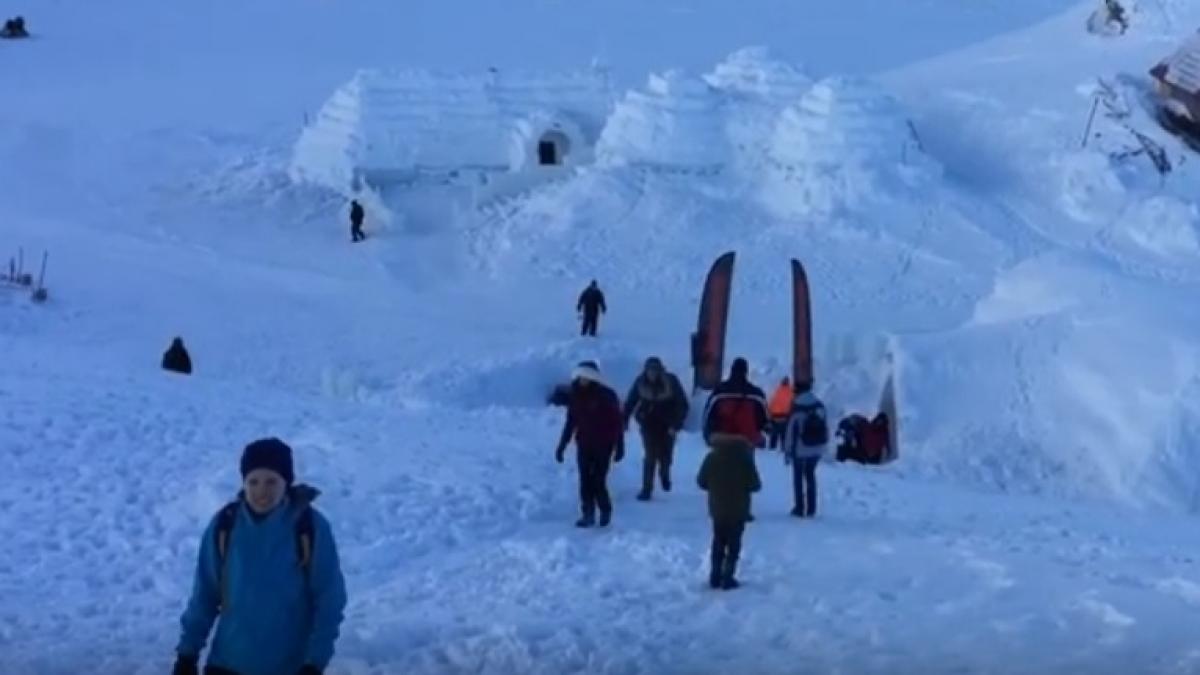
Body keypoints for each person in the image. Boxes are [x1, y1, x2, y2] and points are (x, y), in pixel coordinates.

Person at [173, 438, 347, 675]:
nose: (261, 491)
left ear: (286, 482)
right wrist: (187, 654)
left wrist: (315, 663)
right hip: (227, 664)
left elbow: (329, 599)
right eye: (252, 482)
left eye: (271, 482)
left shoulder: (309, 528)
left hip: (290, 668)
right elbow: (205, 594)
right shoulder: (225, 526)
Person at [555, 361, 625, 527]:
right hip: (584, 444)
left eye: (587, 377)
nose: (583, 381)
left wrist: (620, 446)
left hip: (604, 445)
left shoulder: (607, 396)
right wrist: (562, 445)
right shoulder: (575, 395)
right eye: (581, 377)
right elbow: (571, 422)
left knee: (599, 480)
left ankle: (605, 510)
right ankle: (588, 513)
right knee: (585, 480)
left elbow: (617, 423)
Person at [701, 357, 768, 521]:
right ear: (746, 371)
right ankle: (743, 511)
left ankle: (719, 507)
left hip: (722, 439)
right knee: (744, 476)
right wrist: (760, 433)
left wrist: (708, 435)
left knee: (721, 473)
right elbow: (765, 418)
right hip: (746, 440)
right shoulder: (755, 393)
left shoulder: (720, 392)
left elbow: (708, 415)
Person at [697, 431, 761, 590]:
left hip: (717, 508)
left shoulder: (711, 458)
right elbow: (755, 485)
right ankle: (728, 577)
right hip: (738, 510)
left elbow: (701, 481)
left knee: (718, 541)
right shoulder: (744, 459)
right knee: (734, 544)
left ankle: (715, 575)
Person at [623, 356, 689, 501]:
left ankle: (664, 474)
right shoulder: (640, 383)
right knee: (650, 456)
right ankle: (647, 489)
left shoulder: (671, 382)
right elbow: (630, 402)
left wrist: (676, 424)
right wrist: (624, 419)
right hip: (648, 424)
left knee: (666, 455)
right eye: (649, 371)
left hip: (668, 424)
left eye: (655, 370)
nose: (652, 374)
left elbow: (682, 404)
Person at [782, 381, 828, 518]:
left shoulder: (796, 408)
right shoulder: (819, 406)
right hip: (815, 448)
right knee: (810, 476)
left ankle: (799, 507)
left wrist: (787, 450)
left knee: (798, 478)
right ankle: (812, 508)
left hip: (800, 450)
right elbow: (825, 428)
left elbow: (790, 431)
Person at [767, 376, 793, 449]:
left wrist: (769, 415)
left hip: (775, 417)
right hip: (786, 417)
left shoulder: (777, 391)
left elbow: (772, 403)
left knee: (774, 436)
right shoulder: (791, 391)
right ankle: (784, 449)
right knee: (784, 436)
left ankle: (771, 449)